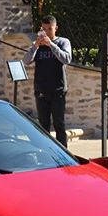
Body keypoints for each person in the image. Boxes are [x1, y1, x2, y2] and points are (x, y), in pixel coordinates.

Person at [22, 15, 72, 147]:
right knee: (43, 126)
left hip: (58, 90)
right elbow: (25, 61)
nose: (47, 32)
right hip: (41, 90)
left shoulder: (63, 42)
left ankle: (63, 154)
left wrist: (51, 45)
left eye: (50, 29)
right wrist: (35, 46)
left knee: (59, 124)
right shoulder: (37, 46)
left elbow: (67, 59)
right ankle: (45, 153)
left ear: (56, 28)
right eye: (44, 29)